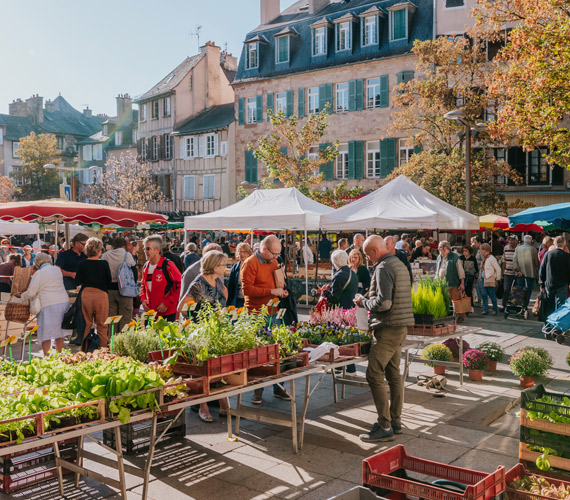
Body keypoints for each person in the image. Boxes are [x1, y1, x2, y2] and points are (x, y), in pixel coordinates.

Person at [354, 235, 413, 442]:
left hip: (387, 329)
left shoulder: (382, 267)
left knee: (373, 374)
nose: (367, 260)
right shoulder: (399, 263)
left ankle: (384, 425)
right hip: (400, 326)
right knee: (394, 374)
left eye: (367, 255)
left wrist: (363, 302)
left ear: (374, 252)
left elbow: (384, 303)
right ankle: (395, 422)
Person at [241, 235, 291, 404]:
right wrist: (271, 291)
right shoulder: (250, 263)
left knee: (277, 350)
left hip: (274, 311)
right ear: (263, 249)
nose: (276, 257)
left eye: (278, 254)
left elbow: (278, 283)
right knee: (257, 353)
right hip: (256, 314)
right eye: (274, 253)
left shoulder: (274, 262)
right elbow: (247, 290)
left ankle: (279, 386)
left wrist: (282, 291)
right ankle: (258, 389)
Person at [20, 253, 70, 355]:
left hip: (48, 305)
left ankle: (47, 357)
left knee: (45, 333)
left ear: (37, 262)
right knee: (59, 331)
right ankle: (59, 354)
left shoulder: (39, 273)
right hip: (63, 302)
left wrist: (21, 296)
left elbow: (31, 292)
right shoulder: (57, 270)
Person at [75, 238, 112, 348]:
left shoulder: (81, 264)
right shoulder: (104, 263)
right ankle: (102, 351)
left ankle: (85, 351)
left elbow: (77, 281)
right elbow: (108, 280)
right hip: (101, 295)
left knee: (86, 324)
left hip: (86, 294)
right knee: (102, 325)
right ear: (99, 250)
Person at [141, 235, 182, 321]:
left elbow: (180, 285)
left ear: (157, 250)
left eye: (148, 249)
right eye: (144, 249)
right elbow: (143, 285)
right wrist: (143, 299)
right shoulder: (146, 266)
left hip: (167, 314)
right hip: (151, 313)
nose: (145, 251)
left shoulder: (168, 265)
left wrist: (167, 303)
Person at [101, 236, 137, 332]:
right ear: (124, 246)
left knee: (112, 319)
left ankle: (112, 341)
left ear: (112, 245)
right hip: (125, 290)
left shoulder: (105, 255)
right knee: (125, 318)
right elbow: (134, 271)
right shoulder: (127, 255)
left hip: (109, 290)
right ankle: (124, 341)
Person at [179, 243, 222, 311]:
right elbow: (183, 303)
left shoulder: (219, 269)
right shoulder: (192, 272)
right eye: (217, 257)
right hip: (196, 318)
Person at [539, 236, 570, 317]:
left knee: (550, 304)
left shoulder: (548, 254)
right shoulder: (567, 256)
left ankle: (549, 323)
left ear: (554, 244)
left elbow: (542, 270)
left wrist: (541, 284)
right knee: (561, 305)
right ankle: (558, 324)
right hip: (562, 284)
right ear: (564, 244)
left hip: (549, 283)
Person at [436, 241, 466, 321]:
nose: (438, 249)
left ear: (445, 248)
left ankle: (460, 317)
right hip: (442, 283)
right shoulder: (439, 257)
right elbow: (437, 269)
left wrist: (462, 282)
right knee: (443, 301)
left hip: (453, 283)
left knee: (457, 301)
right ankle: (444, 315)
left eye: (440, 247)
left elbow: (460, 270)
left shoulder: (454, 257)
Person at [513, 234, 539, 314]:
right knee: (528, 291)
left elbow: (514, 260)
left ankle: (519, 305)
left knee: (520, 290)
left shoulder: (517, 248)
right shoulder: (533, 249)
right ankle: (525, 306)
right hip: (530, 274)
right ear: (530, 241)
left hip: (520, 274)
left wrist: (517, 271)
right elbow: (536, 262)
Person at [227, 243, 253, 308]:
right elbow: (231, 286)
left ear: (249, 253)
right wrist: (229, 303)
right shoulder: (235, 267)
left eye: (244, 252)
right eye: (240, 252)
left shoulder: (253, 266)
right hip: (238, 300)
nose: (242, 254)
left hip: (251, 300)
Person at [479, 243, 502, 315]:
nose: (480, 252)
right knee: (484, 294)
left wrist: (497, 279)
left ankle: (495, 309)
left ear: (485, 250)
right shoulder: (485, 258)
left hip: (490, 279)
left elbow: (498, 269)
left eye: (481, 250)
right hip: (484, 279)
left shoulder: (492, 259)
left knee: (492, 294)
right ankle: (485, 309)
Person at [501, 236, 518, 310]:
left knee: (515, 290)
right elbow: (504, 259)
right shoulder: (506, 248)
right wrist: (503, 271)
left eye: (512, 240)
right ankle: (504, 305)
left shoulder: (518, 249)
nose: (510, 241)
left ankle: (514, 305)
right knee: (506, 289)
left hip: (516, 273)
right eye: (509, 240)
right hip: (507, 272)